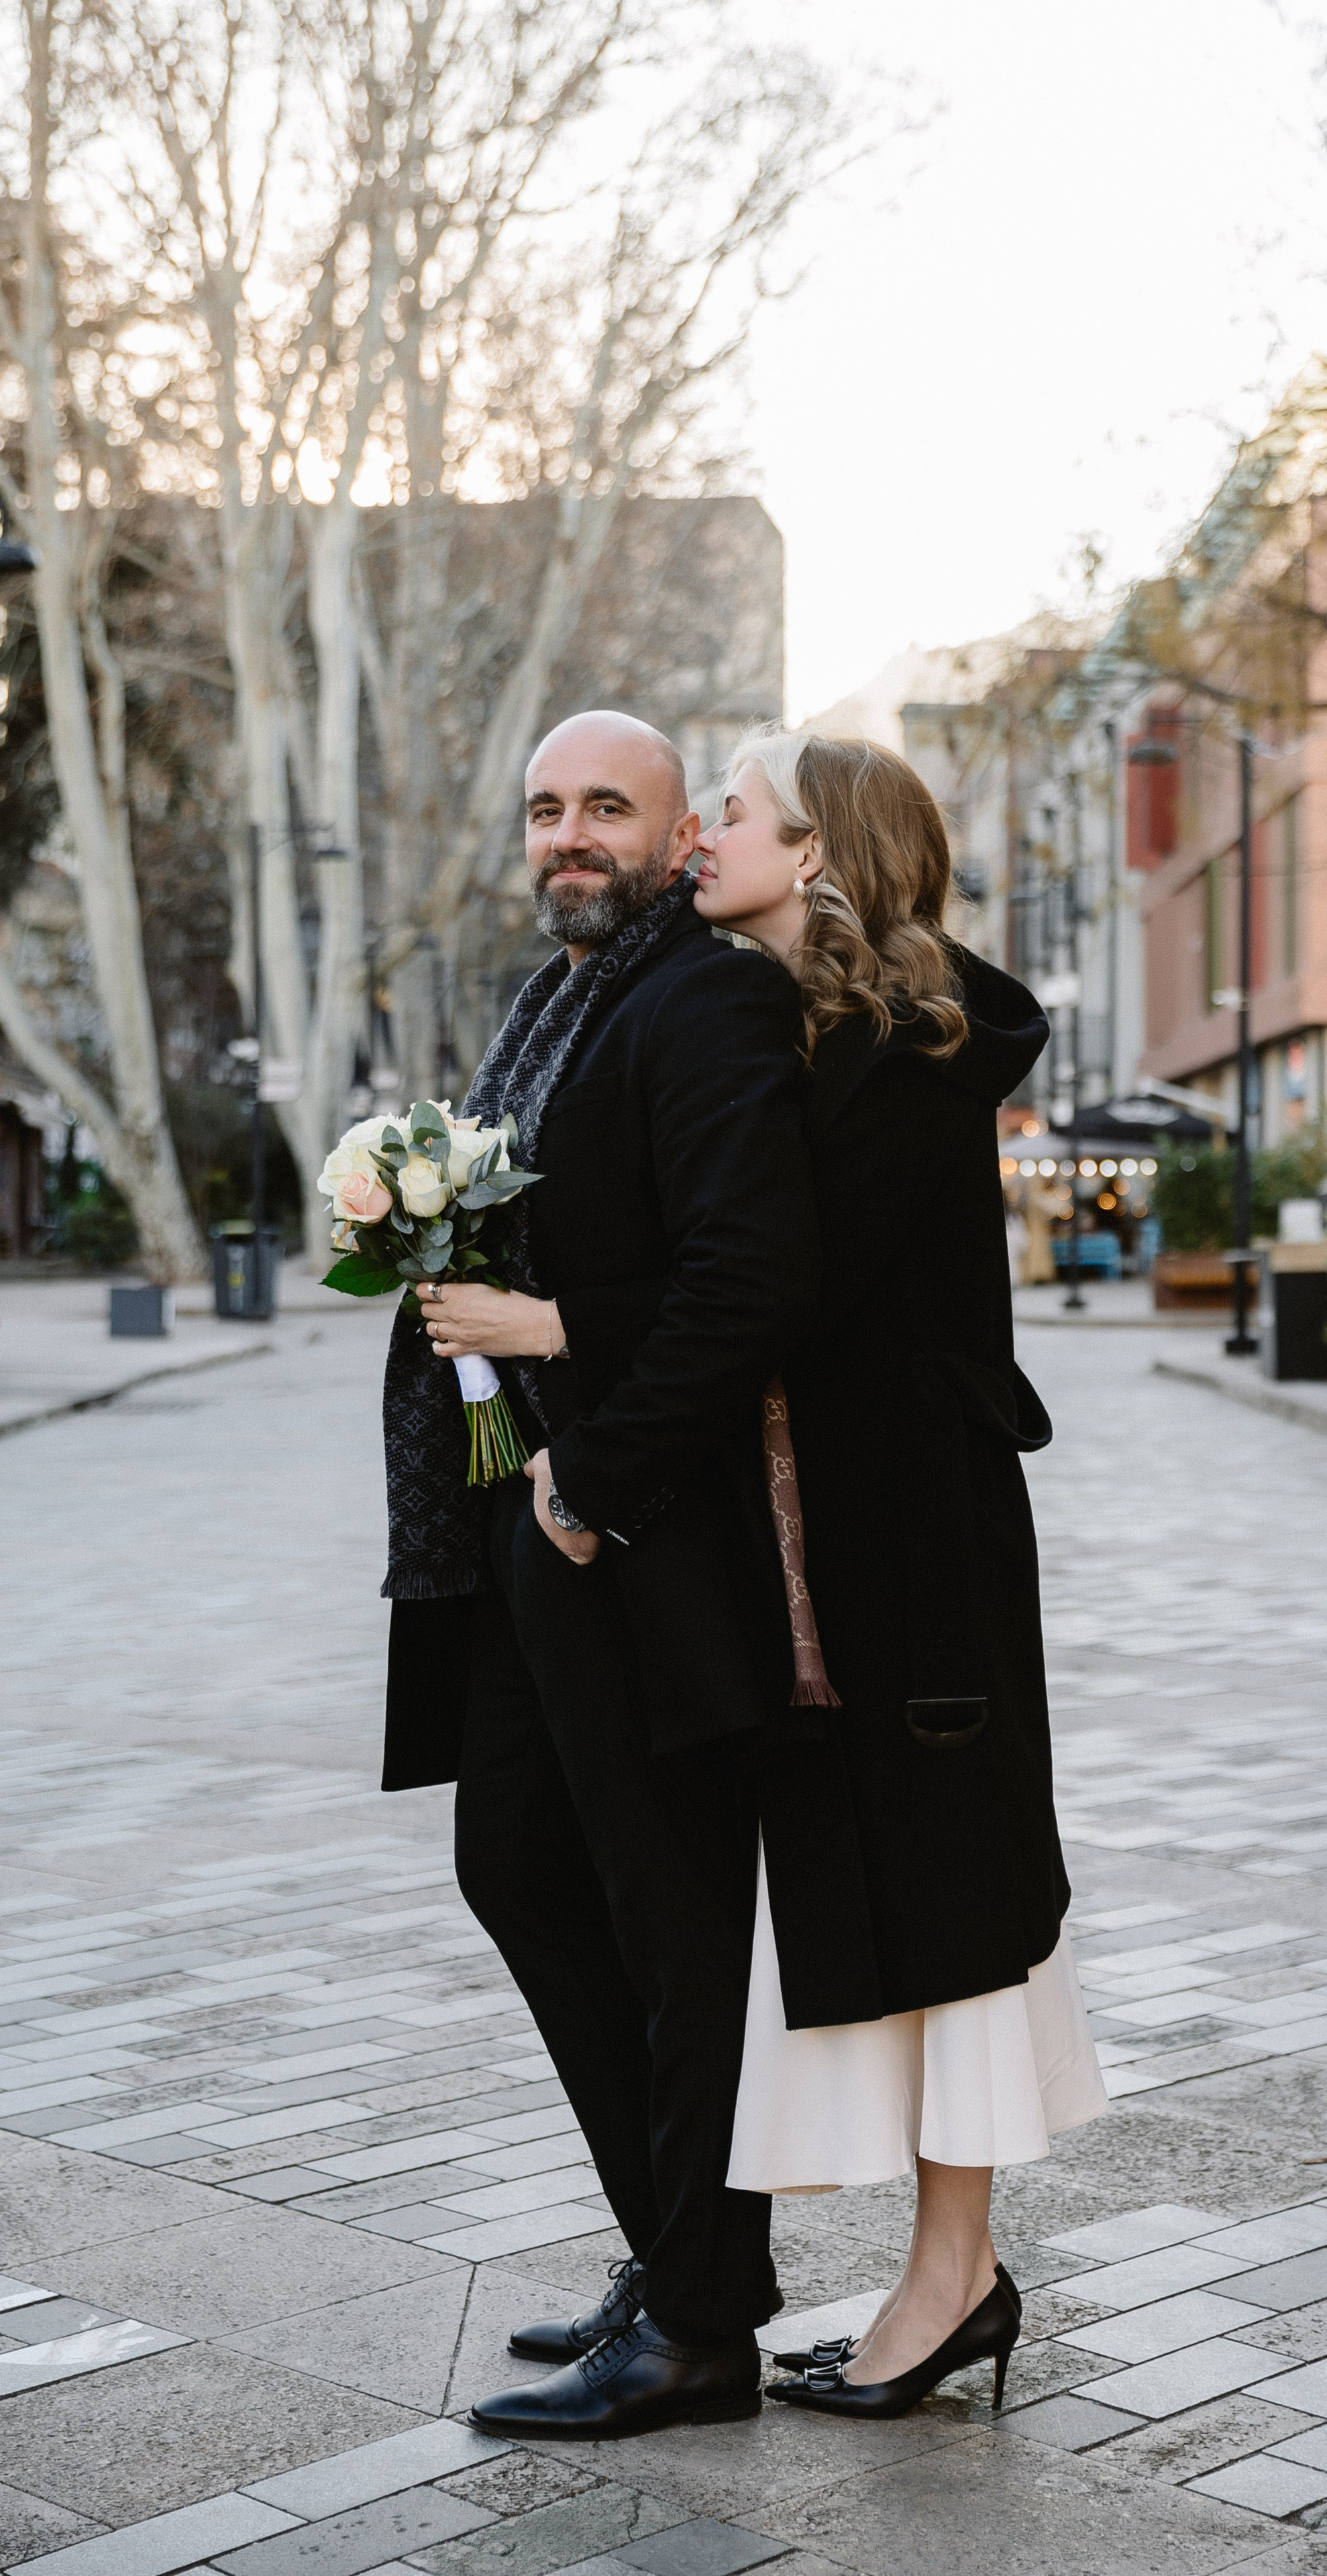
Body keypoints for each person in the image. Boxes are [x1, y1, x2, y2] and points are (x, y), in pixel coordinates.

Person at [378, 708, 819, 2440]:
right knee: (518, 1865)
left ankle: (703, 2328)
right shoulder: (553, 1006)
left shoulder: (705, 1000)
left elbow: (752, 1278)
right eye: (547, 807)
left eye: (607, 807)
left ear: (677, 835)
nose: (570, 834)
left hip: (633, 1534)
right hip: (524, 1523)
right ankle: (677, 2253)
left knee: (675, 1924)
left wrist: (592, 1470)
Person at [690, 728, 1108, 2420]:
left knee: (952, 1916)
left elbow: (778, 1286)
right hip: (854, 1552)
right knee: (910, 1904)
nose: (698, 835)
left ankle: (953, 2284)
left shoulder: (899, 1054)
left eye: (727, 810)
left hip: (914, 1561)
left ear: (812, 853)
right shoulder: (832, 1032)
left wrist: (563, 1322)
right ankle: (947, 2275)